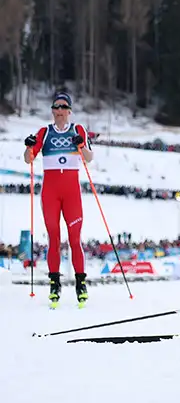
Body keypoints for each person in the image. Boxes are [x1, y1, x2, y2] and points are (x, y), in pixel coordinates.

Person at [23, 92, 93, 308]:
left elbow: (89, 158)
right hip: (50, 193)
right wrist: (28, 146)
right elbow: (29, 159)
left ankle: (81, 284)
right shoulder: (44, 132)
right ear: (53, 111)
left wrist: (81, 146)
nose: (60, 111)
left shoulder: (77, 130)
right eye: (56, 107)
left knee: (74, 239)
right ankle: (55, 284)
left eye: (64, 107)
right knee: (53, 237)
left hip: (72, 193)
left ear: (69, 111)